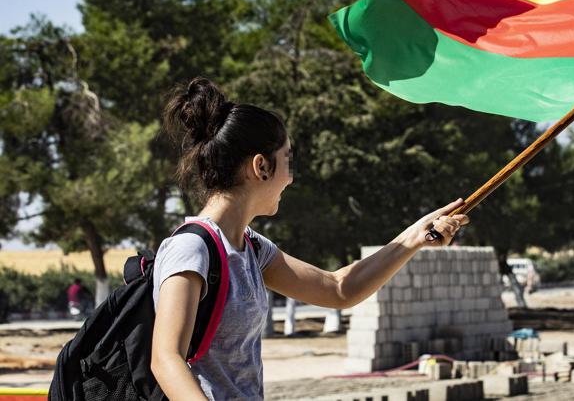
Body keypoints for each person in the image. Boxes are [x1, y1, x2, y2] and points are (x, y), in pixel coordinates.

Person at [151, 77, 469, 400]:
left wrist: (415, 237)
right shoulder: (191, 248)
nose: (289, 179)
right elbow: (166, 360)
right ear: (261, 166)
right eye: (287, 161)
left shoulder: (252, 249)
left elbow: (338, 288)